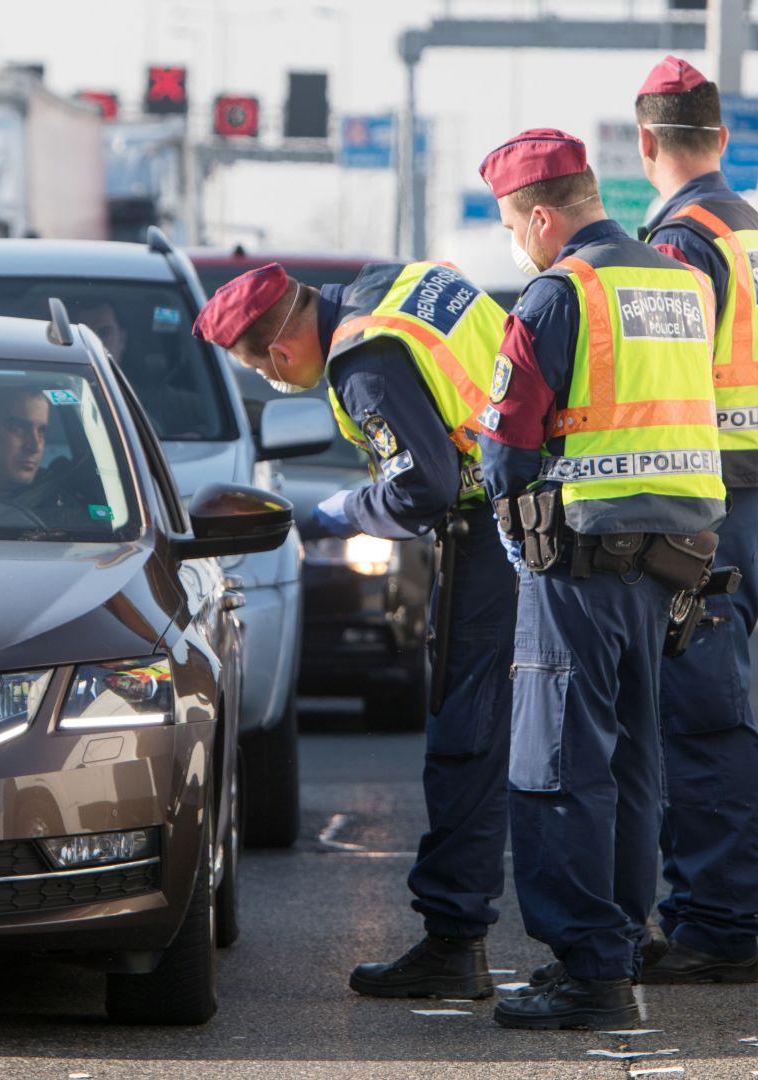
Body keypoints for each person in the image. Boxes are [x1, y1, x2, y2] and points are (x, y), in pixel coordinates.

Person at [192, 259, 518, 1000]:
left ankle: (454, 941)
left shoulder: (363, 359)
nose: (275, 381)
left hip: (494, 540)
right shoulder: (402, 281)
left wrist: (326, 515)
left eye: (260, 369)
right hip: (550, 515)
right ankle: (603, 943)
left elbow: (420, 490)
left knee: (465, 742)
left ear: (275, 354)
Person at [477, 128, 726, 1030]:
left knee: (559, 769)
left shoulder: (557, 294)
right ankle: (618, 944)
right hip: (670, 566)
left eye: (513, 225)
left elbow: (505, 453)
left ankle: (589, 973)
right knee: (630, 764)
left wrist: (512, 525)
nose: (518, 242)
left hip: (578, 565)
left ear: (542, 217)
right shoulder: (679, 281)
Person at [633, 55, 758, 984]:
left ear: (645, 143)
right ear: (722, 136)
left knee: (707, 723)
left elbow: (659, 386)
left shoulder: (680, 241)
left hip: (714, 510)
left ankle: (717, 925)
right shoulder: (751, 228)